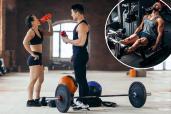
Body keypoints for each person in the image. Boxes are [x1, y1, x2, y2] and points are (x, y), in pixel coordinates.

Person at [60, 4, 89, 108]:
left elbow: (81, 42)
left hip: (81, 55)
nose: (71, 14)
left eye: (72, 12)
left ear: (77, 12)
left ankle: (83, 102)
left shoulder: (82, 25)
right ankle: (84, 101)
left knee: (81, 79)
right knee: (81, 78)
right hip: (79, 54)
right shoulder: (79, 24)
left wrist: (68, 40)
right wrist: (73, 54)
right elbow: (79, 42)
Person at [23, 15, 53, 107]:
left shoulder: (39, 31)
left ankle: (37, 98)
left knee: (41, 79)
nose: (39, 19)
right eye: (36, 18)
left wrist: (50, 23)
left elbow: (50, 33)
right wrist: (32, 53)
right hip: (34, 58)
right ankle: (29, 101)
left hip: (39, 57)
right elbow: (24, 42)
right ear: (32, 22)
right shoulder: (31, 32)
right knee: (33, 80)